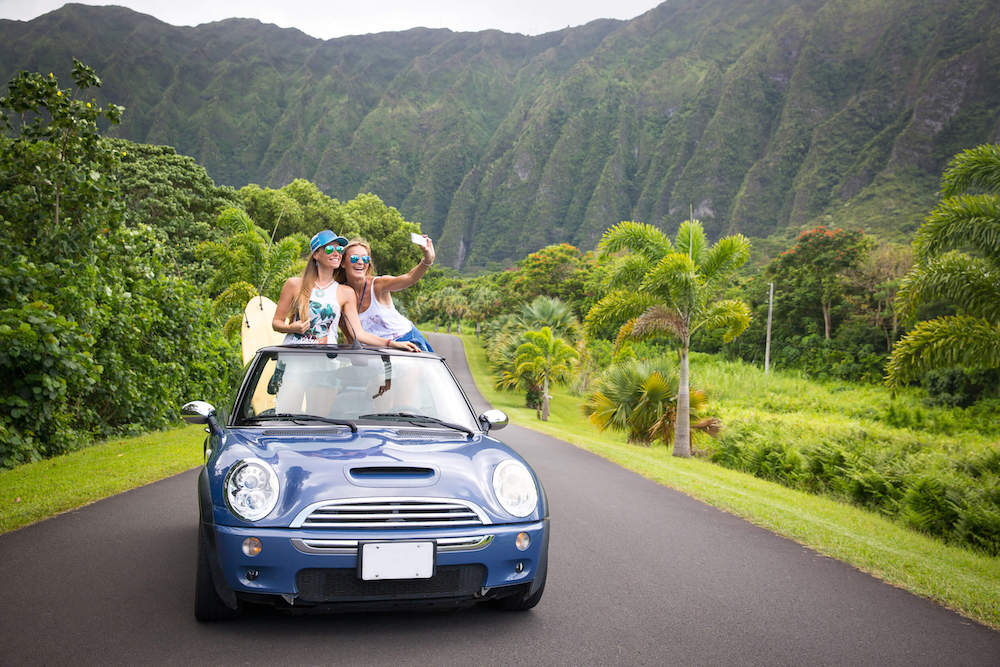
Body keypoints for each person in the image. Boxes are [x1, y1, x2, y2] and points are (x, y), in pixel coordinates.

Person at [272, 229, 419, 351]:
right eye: (329, 249)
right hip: (294, 355)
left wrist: (393, 344)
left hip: (325, 360)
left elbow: (359, 334)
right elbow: (276, 323)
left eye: (339, 249)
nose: (336, 253)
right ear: (316, 254)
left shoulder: (345, 292)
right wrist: (291, 328)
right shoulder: (294, 284)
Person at [337, 236, 436, 352]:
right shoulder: (340, 295)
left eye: (365, 259)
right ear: (343, 263)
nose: (360, 262)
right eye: (354, 258)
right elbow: (352, 337)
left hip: (407, 340)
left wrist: (427, 260)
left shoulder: (378, 285)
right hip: (378, 349)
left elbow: (409, 278)